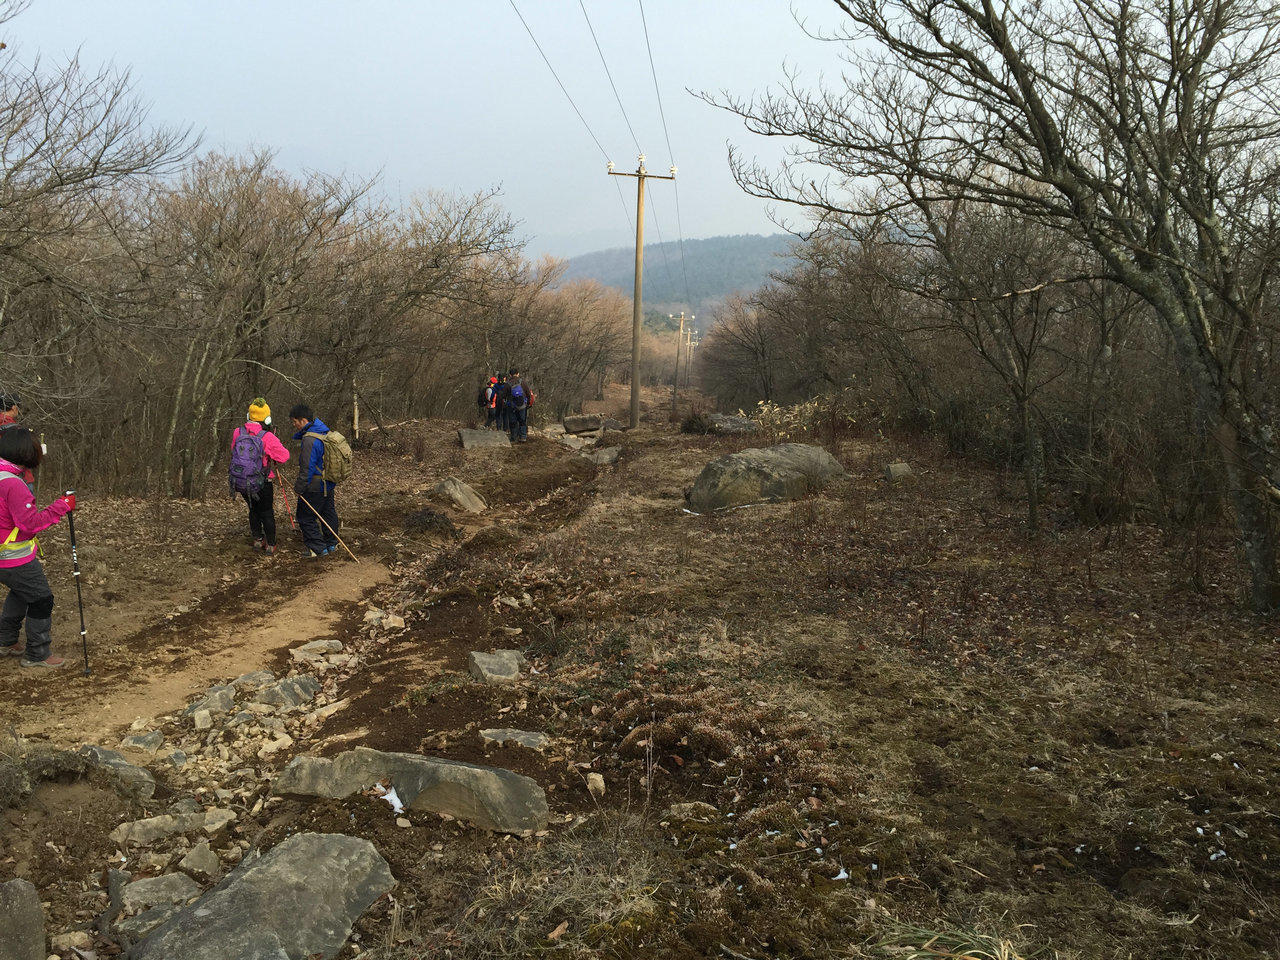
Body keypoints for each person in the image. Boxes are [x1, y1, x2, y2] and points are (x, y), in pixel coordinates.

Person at [0, 426, 75, 669]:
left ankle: (6, 640)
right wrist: (61, 506)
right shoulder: (13, 484)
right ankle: (38, 653)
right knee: (42, 599)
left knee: (22, 592)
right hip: (13, 557)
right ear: (26, 453)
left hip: (7, 554)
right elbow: (30, 524)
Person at [229, 399, 290, 556]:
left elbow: (233, 451)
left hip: (241, 481)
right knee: (266, 512)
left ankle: (257, 539)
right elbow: (284, 456)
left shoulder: (238, 432)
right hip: (262, 483)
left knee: (253, 510)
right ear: (267, 419)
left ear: (249, 416)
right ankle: (270, 544)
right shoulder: (267, 437)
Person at [289, 404, 340, 558]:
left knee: (305, 516)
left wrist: (299, 488)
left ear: (303, 420)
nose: (293, 425)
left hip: (314, 486)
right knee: (327, 512)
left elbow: (307, 468)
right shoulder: (324, 431)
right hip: (328, 482)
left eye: (294, 421)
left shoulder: (310, 440)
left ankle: (317, 548)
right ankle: (332, 543)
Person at [503, 370, 533, 443]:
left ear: (510, 375)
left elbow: (503, 395)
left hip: (511, 406)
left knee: (513, 421)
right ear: (518, 374)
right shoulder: (523, 382)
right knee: (522, 421)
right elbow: (528, 394)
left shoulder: (507, 384)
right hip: (522, 405)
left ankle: (513, 437)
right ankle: (523, 437)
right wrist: (528, 403)